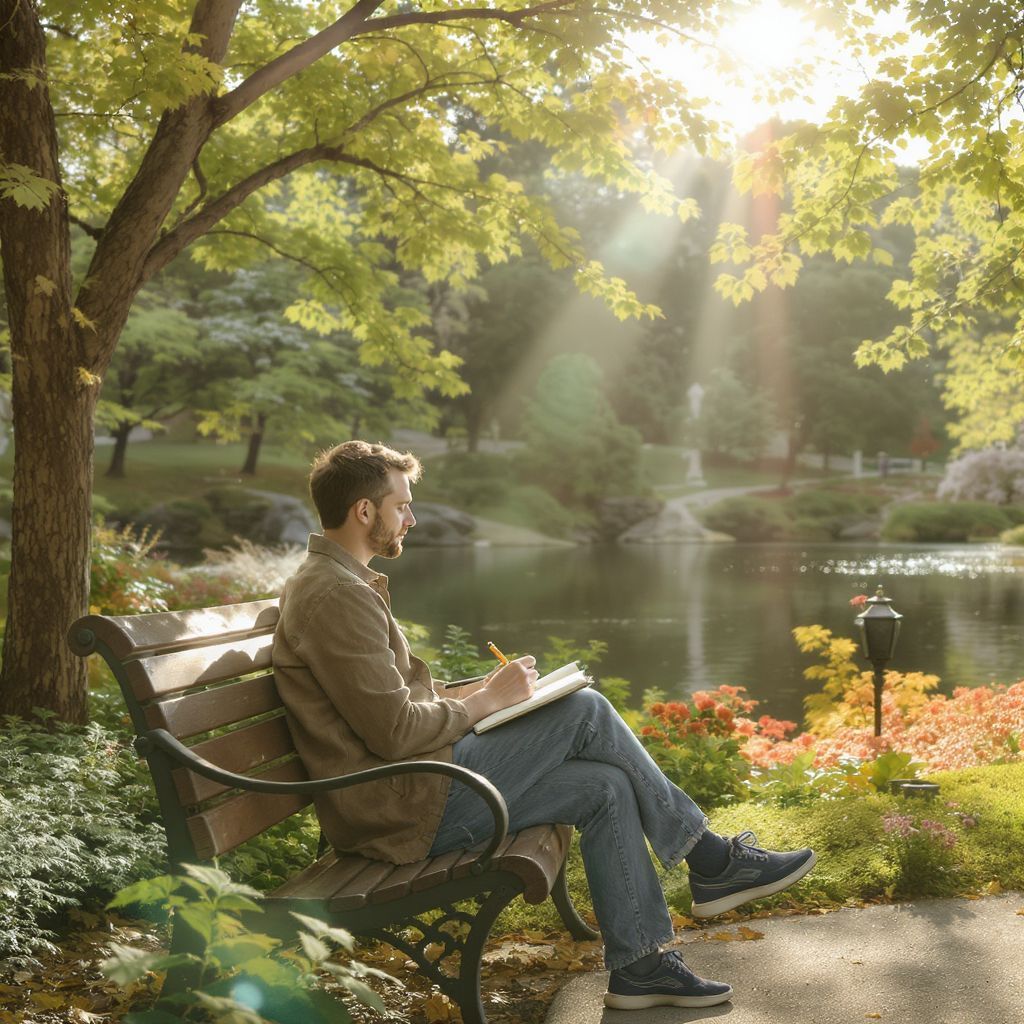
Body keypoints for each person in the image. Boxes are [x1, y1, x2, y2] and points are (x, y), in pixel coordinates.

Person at [272, 440, 816, 1011]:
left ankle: (641, 966)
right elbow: (394, 733)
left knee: (604, 786)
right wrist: (485, 705)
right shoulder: (336, 595)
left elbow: (401, 705)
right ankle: (711, 860)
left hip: (418, 786)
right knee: (586, 709)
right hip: (401, 810)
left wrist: (490, 693)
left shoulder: (345, 583)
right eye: (402, 504)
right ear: (364, 511)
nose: (411, 516)